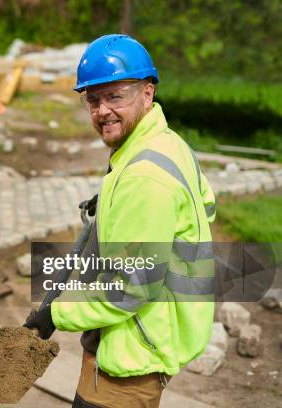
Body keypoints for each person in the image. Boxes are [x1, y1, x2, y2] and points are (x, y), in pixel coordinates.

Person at [25, 34, 217, 408]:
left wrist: (56, 313)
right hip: (138, 332)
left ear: (147, 93)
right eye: (93, 100)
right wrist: (124, 211)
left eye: (115, 96)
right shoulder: (166, 143)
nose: (101, 111)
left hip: (130, 353)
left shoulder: (143, 177)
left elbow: (130, 290)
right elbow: (205, 206)